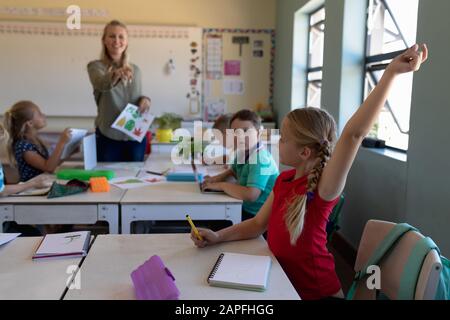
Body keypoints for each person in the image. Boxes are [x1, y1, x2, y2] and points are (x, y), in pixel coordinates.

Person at [191, 44, 428, 299]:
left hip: (316, 295)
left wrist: (390, 74)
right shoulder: (284, 179)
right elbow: (258, 224)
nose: (278, 141)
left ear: (305, 152)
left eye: (284, 138)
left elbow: (353, 135)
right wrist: (218, 236)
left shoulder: (324, 188)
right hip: (282, 284)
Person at [87, 20, 151, 162]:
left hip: (135, 134)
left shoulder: (136, 70)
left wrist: (145, 99)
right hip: (109, 135)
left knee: (135, 179)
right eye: (112, 36)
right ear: (104, 40)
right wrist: (116, 74)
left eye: (121, 37)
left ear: (127, 41)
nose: (117, 41)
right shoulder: (95, 67)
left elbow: (135, 97)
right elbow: (101, 83)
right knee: (108, 180)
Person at [202, 109, 279, 221]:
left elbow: (251, 195)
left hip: (259, 217)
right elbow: (232, 171)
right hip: (244, 208)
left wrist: (221, 185)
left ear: (258, 133)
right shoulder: (243, 153)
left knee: (212, 220)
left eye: (245, 130)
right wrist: (214, 180)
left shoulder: (261, 159)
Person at [3, 101, 72, 181]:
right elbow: (48, 168)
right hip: (31, 190)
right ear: (30, 123)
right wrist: (61, 142)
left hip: (41, 185)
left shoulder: (36, 141)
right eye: (39, 114)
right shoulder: (23, 146)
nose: (44, 115)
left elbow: (53, 164)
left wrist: (70, 152)